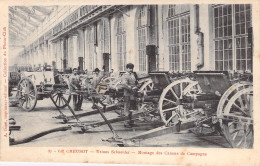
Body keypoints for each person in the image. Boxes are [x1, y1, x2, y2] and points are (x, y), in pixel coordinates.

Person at [120, 63, 138, 128]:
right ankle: (126, 123)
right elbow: (124, 84)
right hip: (127, 94)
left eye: (132, 68)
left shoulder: (132, 75)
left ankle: (131, 122)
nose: (131, 69)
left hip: (132, 94)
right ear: (126, 68)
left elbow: (135, 82)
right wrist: (131, 88)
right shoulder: (125, 75)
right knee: (127, 108)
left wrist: (136, 86)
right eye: (129, 68)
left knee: (131, 109)